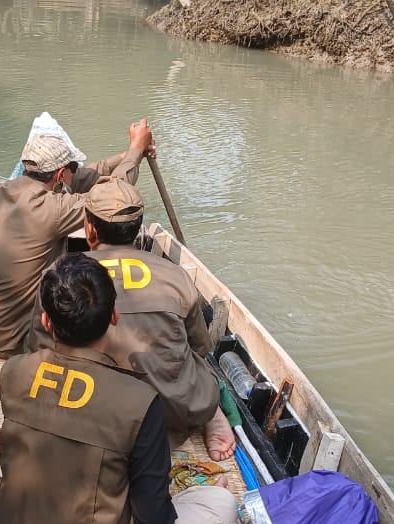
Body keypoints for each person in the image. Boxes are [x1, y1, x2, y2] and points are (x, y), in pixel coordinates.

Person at [0, 253, 239, 524]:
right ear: (114, 316)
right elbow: (154, 522)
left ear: (46, 322)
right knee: (221, 505)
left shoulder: (14, 372)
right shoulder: (138, 401)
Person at [23, 179, 237, 461]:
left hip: (90, 412)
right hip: (171, 412)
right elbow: (200, 347)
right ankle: (211, 412)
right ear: (138, 230)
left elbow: (38, 349)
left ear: (89, 228)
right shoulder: (175, 275)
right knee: (198, 363)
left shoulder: (62, 277)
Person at [0, 119, 155, 358]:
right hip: (9, 336)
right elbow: (113, 197)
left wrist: (131, 153)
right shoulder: (49, 210)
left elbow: (85, 175)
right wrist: (136, 149)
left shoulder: (6, 191)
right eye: (72, 168)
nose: (76, 173)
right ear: (61, 174)